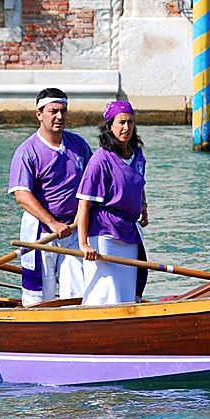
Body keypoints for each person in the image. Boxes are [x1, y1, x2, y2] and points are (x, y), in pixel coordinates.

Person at [8, 88, 93, 307]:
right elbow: (21, 194)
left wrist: (81, 216)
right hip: (41, 231)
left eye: (63, 111)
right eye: (53, 111)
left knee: (76, 291)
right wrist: (52, 223)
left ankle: (75, 321)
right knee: (39, 294)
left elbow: (93, 183)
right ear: (39, 114)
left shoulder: (79, 145)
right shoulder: (27, 151)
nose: (59, 116)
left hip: (73, 229)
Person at [75, 100, 149, 306]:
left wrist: (143, 205)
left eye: (130, 122)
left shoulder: (137, 155)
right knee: (106, 291)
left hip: (129, 232)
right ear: (110, 126)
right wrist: (84, 244)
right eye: (121, 122)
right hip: (105, 233)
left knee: (126, 292)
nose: (126, 128)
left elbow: (139, 182)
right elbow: (84, 203)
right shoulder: (100, 160)